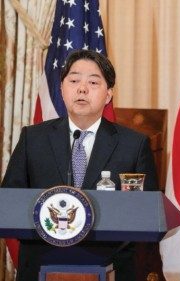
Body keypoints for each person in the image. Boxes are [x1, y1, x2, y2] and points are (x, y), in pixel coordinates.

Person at [1, 49, 158, 281]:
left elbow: (149, 212)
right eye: (74, 80)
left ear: (108, 95)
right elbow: (8, 203)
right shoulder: (33, 139)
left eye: (93, 82)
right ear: (62, 89)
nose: (82, 88)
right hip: (41, 266)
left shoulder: (133, 145)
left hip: (111, 266)